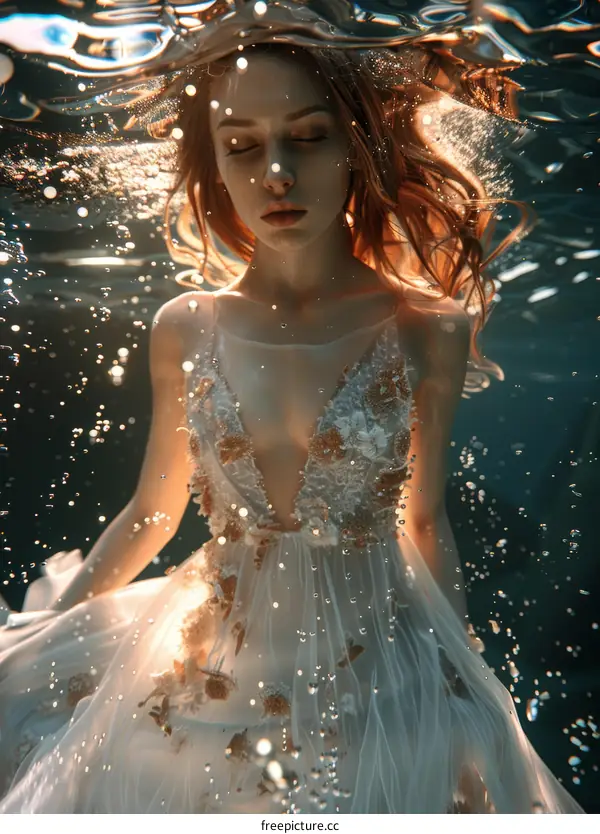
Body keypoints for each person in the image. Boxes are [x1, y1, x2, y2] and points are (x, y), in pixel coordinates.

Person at [0, 43, 584, 813]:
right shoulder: (185, 325)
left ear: (356, 145)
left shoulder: (427, 329)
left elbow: (425, 516)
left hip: (381, 657)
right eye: (242, 146)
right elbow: (153, 510)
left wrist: (462, 665)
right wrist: (56, 620)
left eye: (307, 136)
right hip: (206, 662)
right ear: (214, 164)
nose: (275, 173)